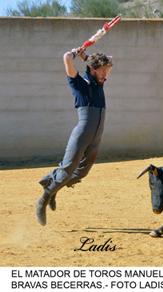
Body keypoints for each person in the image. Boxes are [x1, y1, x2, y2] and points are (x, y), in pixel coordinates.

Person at [36, 47, 113, 226]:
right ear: (93, 70)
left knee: (81, 172)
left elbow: (101, 61)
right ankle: (43, 199)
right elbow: (67, 60)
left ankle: (52, 186)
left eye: (107, 71)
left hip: (96, 135)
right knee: (66, 172)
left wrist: (85, 55)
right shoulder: (79, 82)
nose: (106, 75)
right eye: (102, 71)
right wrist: (72, 54)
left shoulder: (98, 82)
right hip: (82, 134)